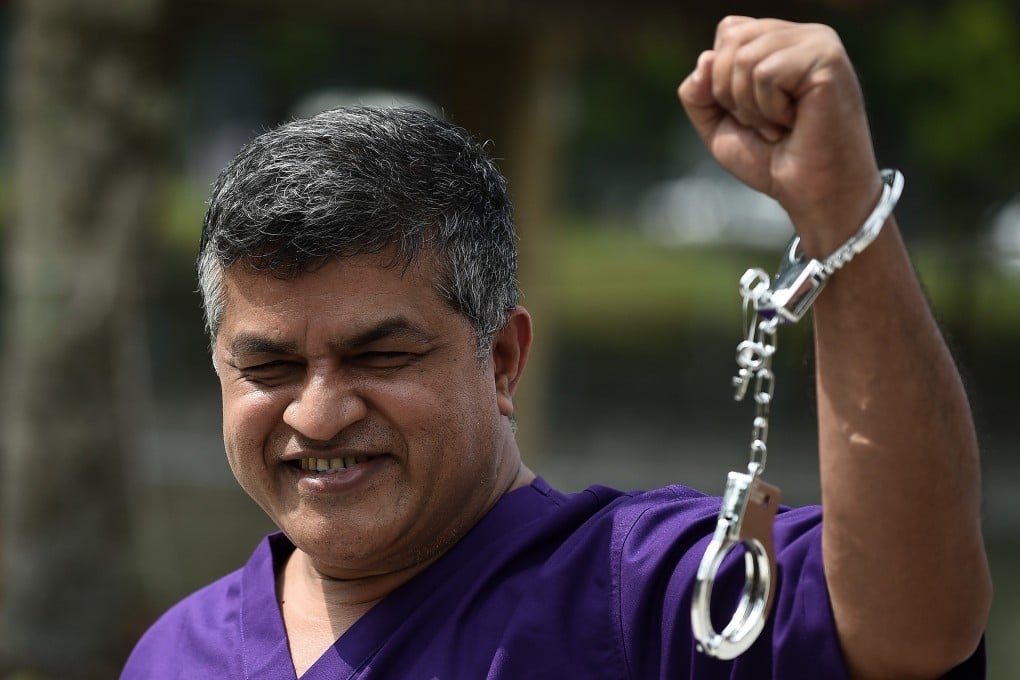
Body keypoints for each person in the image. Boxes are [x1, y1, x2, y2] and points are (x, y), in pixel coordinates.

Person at [123, 17, 991, 680]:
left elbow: (914, 623)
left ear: (501, 359)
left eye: (380, 357)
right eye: (270, 367)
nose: (317, 412)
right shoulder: (174, 653)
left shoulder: (639, 597)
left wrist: (841, 210)